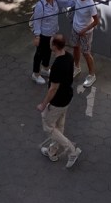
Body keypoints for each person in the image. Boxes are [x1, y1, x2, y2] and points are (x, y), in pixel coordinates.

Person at [35, 34, 81, 168]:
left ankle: (72, 151)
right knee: (59, 125)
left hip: (57, 101)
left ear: (54, 46)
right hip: (67, 97)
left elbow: (53, 88)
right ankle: (52, 151)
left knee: (48, 126)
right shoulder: (69, 57)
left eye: (51, 42)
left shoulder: (56, 66)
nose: (50, 43)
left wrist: (43, 104)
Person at [59, 0, 100, 88]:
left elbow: (96, 21)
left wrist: (85, 30)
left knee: (86, 53)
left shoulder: (91, 5)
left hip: (85, 33)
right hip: (75, 29)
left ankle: (92, 75)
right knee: (76, 48)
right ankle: (76, 67)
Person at [30, 0, 64, 84]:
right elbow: (37, 21)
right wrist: (37, 36)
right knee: (39, 54)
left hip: (52, 32)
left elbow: (66, 2)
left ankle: (45, 68)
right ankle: (35, 74)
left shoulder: (55, 0)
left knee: (48, 51)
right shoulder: (40, 5)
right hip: (43, 34)